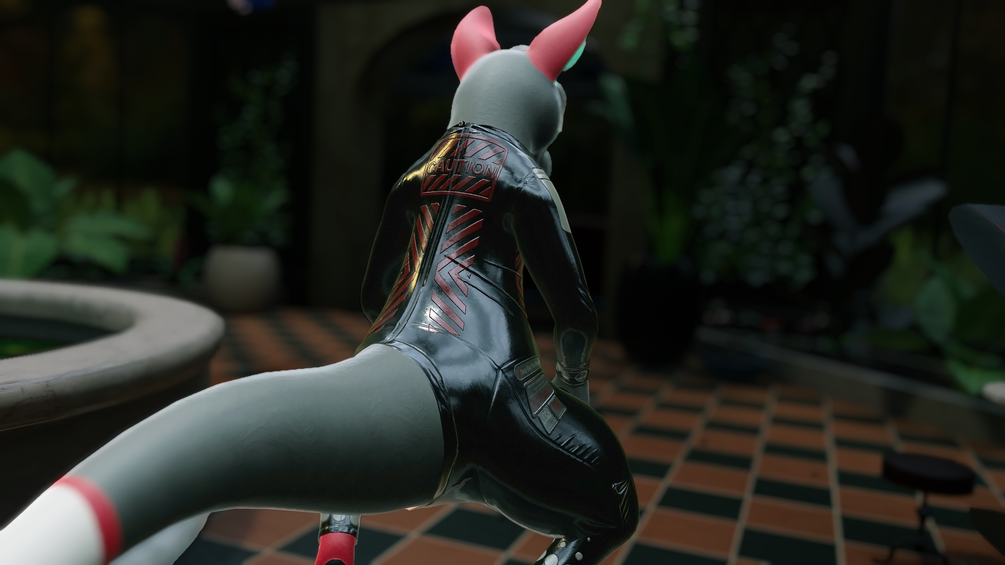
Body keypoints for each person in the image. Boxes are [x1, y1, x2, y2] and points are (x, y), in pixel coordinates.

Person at [0, 2, 637, 564]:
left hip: (399, 351)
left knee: (351, 397)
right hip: (486, 384)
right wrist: (571, 383)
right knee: (614, 506)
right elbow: (575, 312)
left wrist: (394, 341)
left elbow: (375, 291)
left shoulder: (417, 174)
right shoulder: (525, 176)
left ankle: (339, 527)